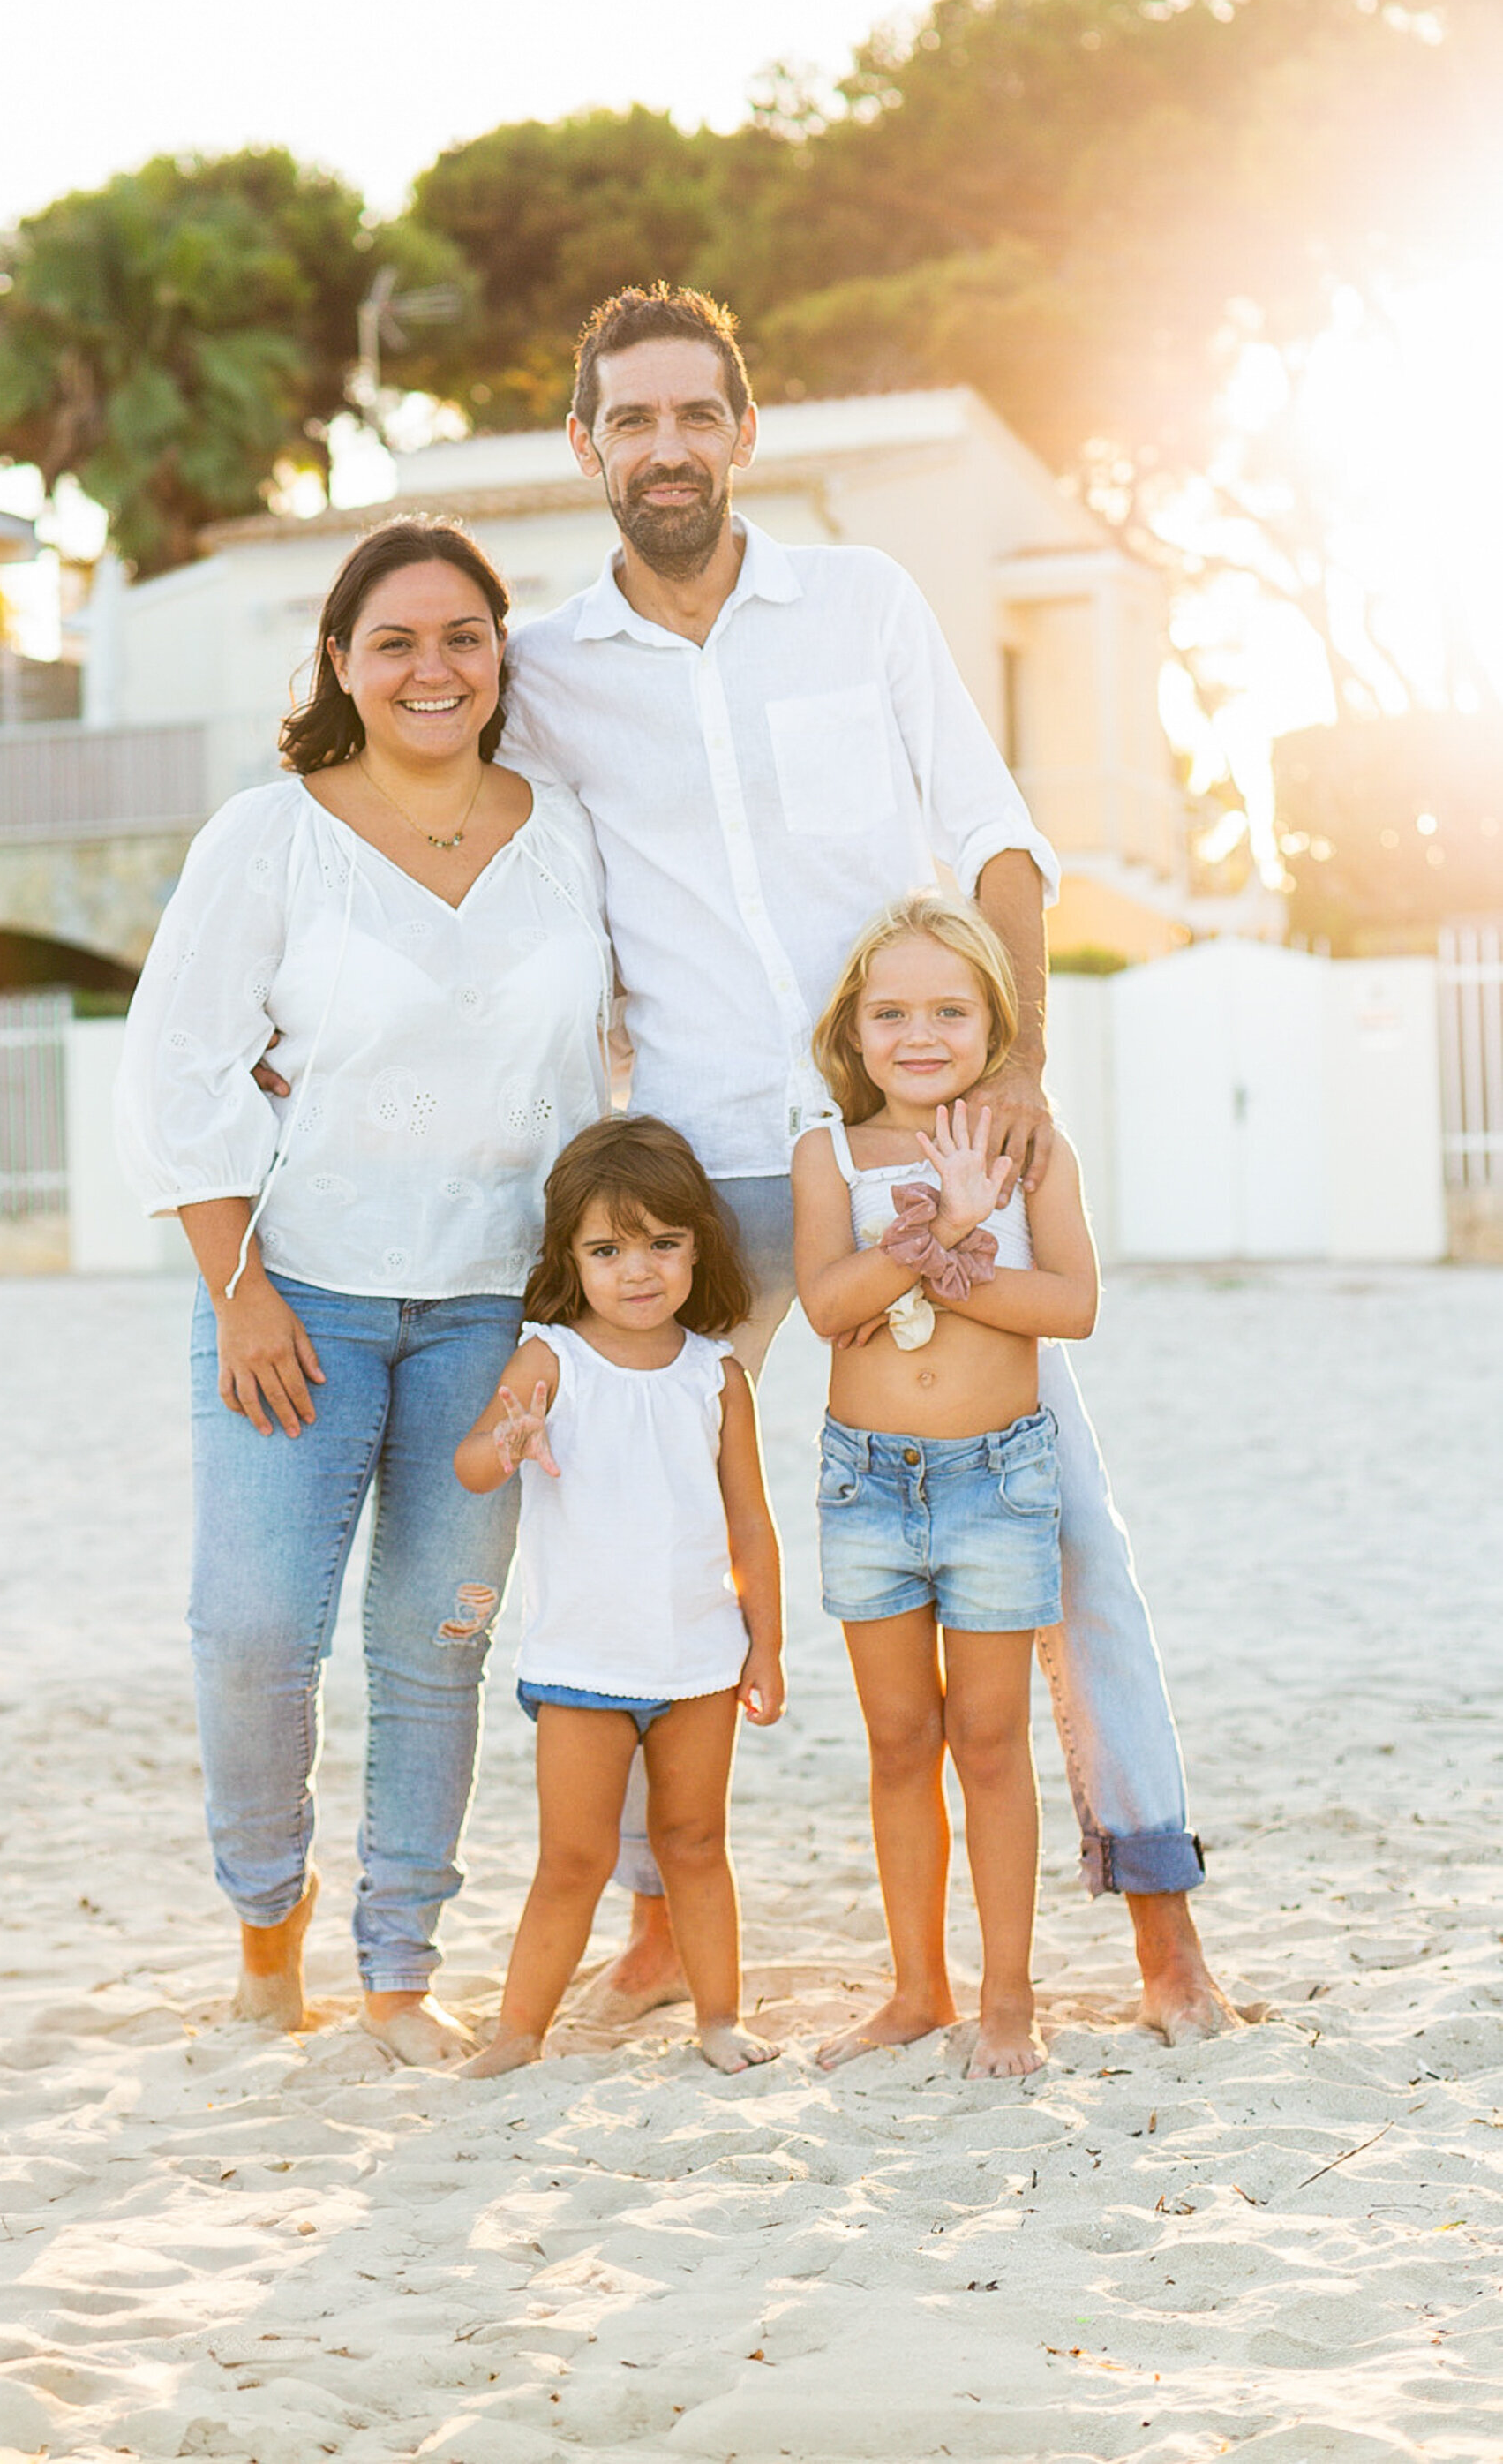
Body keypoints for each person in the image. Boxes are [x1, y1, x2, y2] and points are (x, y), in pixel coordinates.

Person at [501, 282, 1233, 2045]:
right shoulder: (544, 672)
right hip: (695, 1168)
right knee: (645, 1521)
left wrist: (1014, 1084)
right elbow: (497, 886)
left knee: (1066, 1534)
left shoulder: (863, 605)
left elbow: (993, 839)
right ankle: (663, 1924)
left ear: (742, 433)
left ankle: (1158, 1928)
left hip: (908, 1152)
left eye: (695, 414)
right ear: (585, 445)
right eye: (630, 419)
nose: (663, 446)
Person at [116, 517, 612, 2064]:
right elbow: (175, 1065)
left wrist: (581, 1312)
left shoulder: (567, 832)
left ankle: (397, 1972)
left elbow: (608, 1061)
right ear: (339, 661)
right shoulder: (267, 837)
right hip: (298, 1297)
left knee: (437, 1638)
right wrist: (236, 1288)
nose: (430, 667)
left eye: (461, 635)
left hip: (491, 1306)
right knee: (255, 1626)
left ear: (497, 655)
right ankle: (269, 1930)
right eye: (393, 640)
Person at [795, 895, 1101, 2078]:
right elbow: (829, 1308)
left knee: (987, 1739)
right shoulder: (827, 1151)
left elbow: (1071, 1304)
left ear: (993, 1023)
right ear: (854, 1028)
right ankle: (917, 1988)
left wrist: (956, 1238)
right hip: (866, 1484)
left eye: (950, 1010)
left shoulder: (1030, 1150)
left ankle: (1007, 1999)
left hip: (995, 1481)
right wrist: (928, 1241)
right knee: (895, 1740)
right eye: (891, 1012)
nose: (919, 1034)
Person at [451, 1117, 785, 2077]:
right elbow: (474, 1464)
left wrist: (763, 1643)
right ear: (570, 1255)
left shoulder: (713, 1374)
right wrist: (507, 1442)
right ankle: (518, 2032)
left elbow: (749, 1524)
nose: (636, 1269)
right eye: (606, 1248)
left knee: (694, 1840)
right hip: (581, 1662)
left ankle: (718, 2016)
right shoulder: (549, 1356)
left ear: (696, 1245)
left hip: (697, 1660)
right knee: (572, 1856)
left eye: (661, 1243)